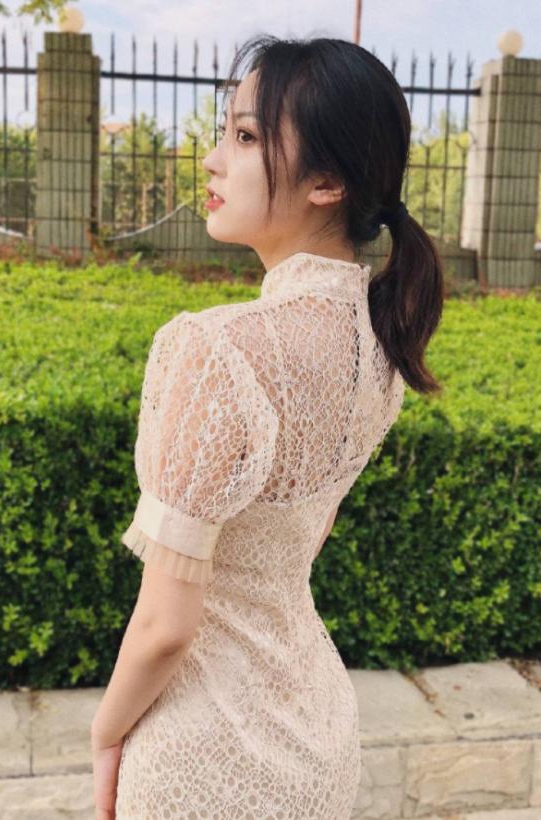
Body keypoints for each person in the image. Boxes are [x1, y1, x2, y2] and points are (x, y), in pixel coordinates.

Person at [91, 33, 444, 819]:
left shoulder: (216, 347)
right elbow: (296, 550)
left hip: (203, 753)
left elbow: (165, 627)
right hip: (316, 739)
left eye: (246, 137)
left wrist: (105, 732)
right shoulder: (381, 350)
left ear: (327, 182)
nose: (212, 160)